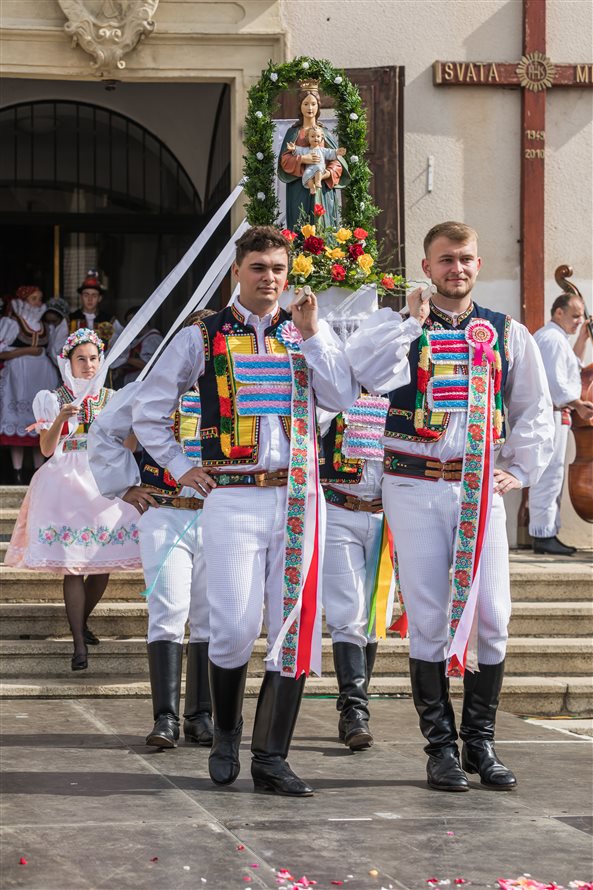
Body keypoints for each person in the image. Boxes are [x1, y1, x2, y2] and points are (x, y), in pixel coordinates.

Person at [131, 226, 358, 796]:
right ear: (237, 271)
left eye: (279, 269)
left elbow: (342, 398)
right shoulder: (203, 334)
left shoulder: (303, 332)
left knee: (292, 629)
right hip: (232, 494)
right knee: (231, 627)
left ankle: (272, 758)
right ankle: (227, 731)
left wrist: (313, 335)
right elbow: (150, 408)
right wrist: (182, 466)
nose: (270, 278)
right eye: (259, 267)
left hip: (300, 497)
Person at [346, 221, 554, 792]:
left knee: (492, 615)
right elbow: (360, 372)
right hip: (414, 483)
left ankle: (480, 743)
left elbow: (534, 408)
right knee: (431, 617)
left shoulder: (507, 333)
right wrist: (410, 320)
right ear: (426, 265)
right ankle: (440, 747)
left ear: (478, 264)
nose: (455, 269)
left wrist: (517, 468)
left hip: (479, 487)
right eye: (444, 260)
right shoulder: (399, 326)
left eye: (464, 258)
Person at [89, 310, 216, 750]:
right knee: (168, 608)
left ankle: (201, 716)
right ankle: (166, 718)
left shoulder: (235, 394)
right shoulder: (148, 390)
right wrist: (125, 486)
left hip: (221, 514)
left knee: (209, 617)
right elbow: (103, 431)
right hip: (165, 509)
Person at [5, 328, 141, 670]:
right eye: (81, 359)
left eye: (94, 359)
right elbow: (47, 449)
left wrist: (131, 424)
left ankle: (81, 624)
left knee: (103, 563)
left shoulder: (112, 398)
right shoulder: (53, 398)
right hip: (67, 482)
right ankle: (79, 644)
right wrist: (62, 419)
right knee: (73, 565)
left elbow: (129, 447)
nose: (88, 365)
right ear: (68, 362)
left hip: (104, 481)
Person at [319, 392, 389, 751]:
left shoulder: (404, 383)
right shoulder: (334, 382)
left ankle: (354, 704)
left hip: (386, 513)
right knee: (348, 611)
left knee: (375, 612)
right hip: (338, 508)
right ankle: (355, 711)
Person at [528, 293, 593, 555]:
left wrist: (583, 339)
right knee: (548, 474)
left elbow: (573, 370)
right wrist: (578, 403)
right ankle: (542, 535)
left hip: (557, 414)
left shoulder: (557, 338)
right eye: (575, 315)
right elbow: (556, 384)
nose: (580, 321)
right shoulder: (552, 339)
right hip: (550, 413)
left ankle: (548, 532)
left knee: (553, 474)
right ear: (558, 313)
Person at [0, 286, 58, 483]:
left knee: (40, 422)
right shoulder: (11, 323)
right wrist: (28, 351)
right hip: (18, 380)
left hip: (41, 378)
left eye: (40, 299)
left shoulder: (45, 326)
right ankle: (17, 473)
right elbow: (2, 352)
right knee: (18, 420)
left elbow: (54, 351)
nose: (38, 303)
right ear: (24, 301)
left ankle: (38, 472)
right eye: (34, 299)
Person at [279, 87, 350, 231]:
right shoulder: (293, 132)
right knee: (300, 225)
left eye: (313, 104)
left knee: (323, 227)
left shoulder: (324, 133)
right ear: (300, 106)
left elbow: (336, 161)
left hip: (322, 188)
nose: (310, 108)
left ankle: (326, 253)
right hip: (299, 188)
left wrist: (327, 173)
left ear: (318, 106)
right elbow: (284, 160)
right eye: (306, 104)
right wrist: (303, 159)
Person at [109, 306, 163, 389]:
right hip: (133, 385)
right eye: (130, 323)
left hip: (145, 387)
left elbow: (150, 365)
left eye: (135, 322)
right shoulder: (138, 339)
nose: (132, 326)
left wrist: (125, 359)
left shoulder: (153, 338)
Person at [287, 125, 347, 195]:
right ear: (307, 138)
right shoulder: (306, 150)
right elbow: (299, 150)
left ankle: (318, 182)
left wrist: (337, 152)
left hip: (319, 168)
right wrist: (294, 148)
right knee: (306, 175)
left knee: (318, 169)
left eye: (318, 136)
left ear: (321, 138)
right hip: (309, 168)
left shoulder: (323, 150)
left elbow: (330, 153)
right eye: (312, 136)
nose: (316, 138)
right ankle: (312, 187)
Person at [42, 297, 70, 366]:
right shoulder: (47, 328)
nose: (51, 325)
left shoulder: (67, 332)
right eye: (49, 322)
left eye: (54, 321)